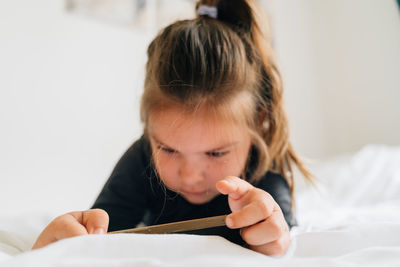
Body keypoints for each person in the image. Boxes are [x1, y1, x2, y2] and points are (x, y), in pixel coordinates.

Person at [32, 0, 313, 256]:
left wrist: (274, 241)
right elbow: (98, 235)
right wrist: (64, 244)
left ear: (258, 125)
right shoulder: (142, 156)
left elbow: (282, 242)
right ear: (149, 130)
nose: (190, 175)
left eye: (216, 153)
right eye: (167, 148)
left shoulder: (267, 171)